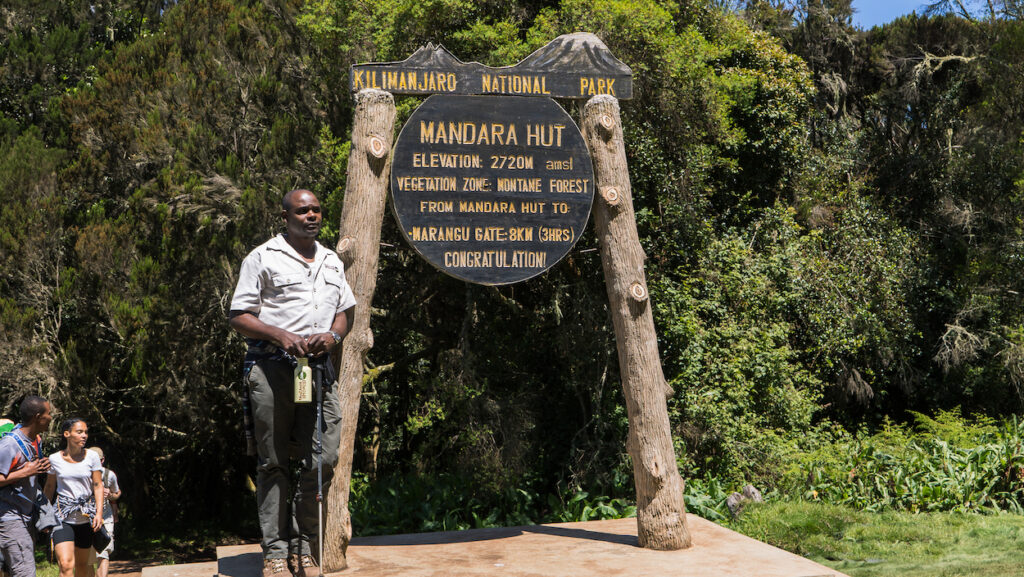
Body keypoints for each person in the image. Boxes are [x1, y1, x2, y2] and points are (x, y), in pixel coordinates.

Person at [228, 189, 356, 577]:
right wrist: (280, 335)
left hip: (317, 373)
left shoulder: (332, 260)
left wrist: (333, 337)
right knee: (273, 463)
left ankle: (304, 544)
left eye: (316, 209)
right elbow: (239, 315)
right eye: (303, 210)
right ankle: (276, 553)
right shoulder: (263, 257)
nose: (312, 215)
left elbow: (345, 311)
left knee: (323, 459)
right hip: (272, 370)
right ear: (285, 215)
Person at [0, 396, 53, 577]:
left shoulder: (35, 440)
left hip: (25, 515)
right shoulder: (10, 444)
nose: (51, 417)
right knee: (25, 573)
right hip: (9, 516)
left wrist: (39, 465)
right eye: (49, 413)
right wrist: (24, 472)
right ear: (38, 417)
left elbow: (28, 468)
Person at [45, 418, 104, 577]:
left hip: (86, 518)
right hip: (62, 517)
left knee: (82, 566)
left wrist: (99, 513)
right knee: (65, 565)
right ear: (67, 434)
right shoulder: (54, 459)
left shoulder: (92, 457)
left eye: (85, 432)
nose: (84, 435)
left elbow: (98, 485)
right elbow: (50, 488)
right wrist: (44, 513)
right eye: (79, 432)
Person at [86, 448, 119, 577]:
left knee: (104, 552)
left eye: (97, 460)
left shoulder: (109, 475)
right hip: (85, 518)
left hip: (105, 518)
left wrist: (110, 495)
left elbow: (117, 493)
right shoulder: (80, 475)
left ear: (103, 460)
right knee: (88, 557)